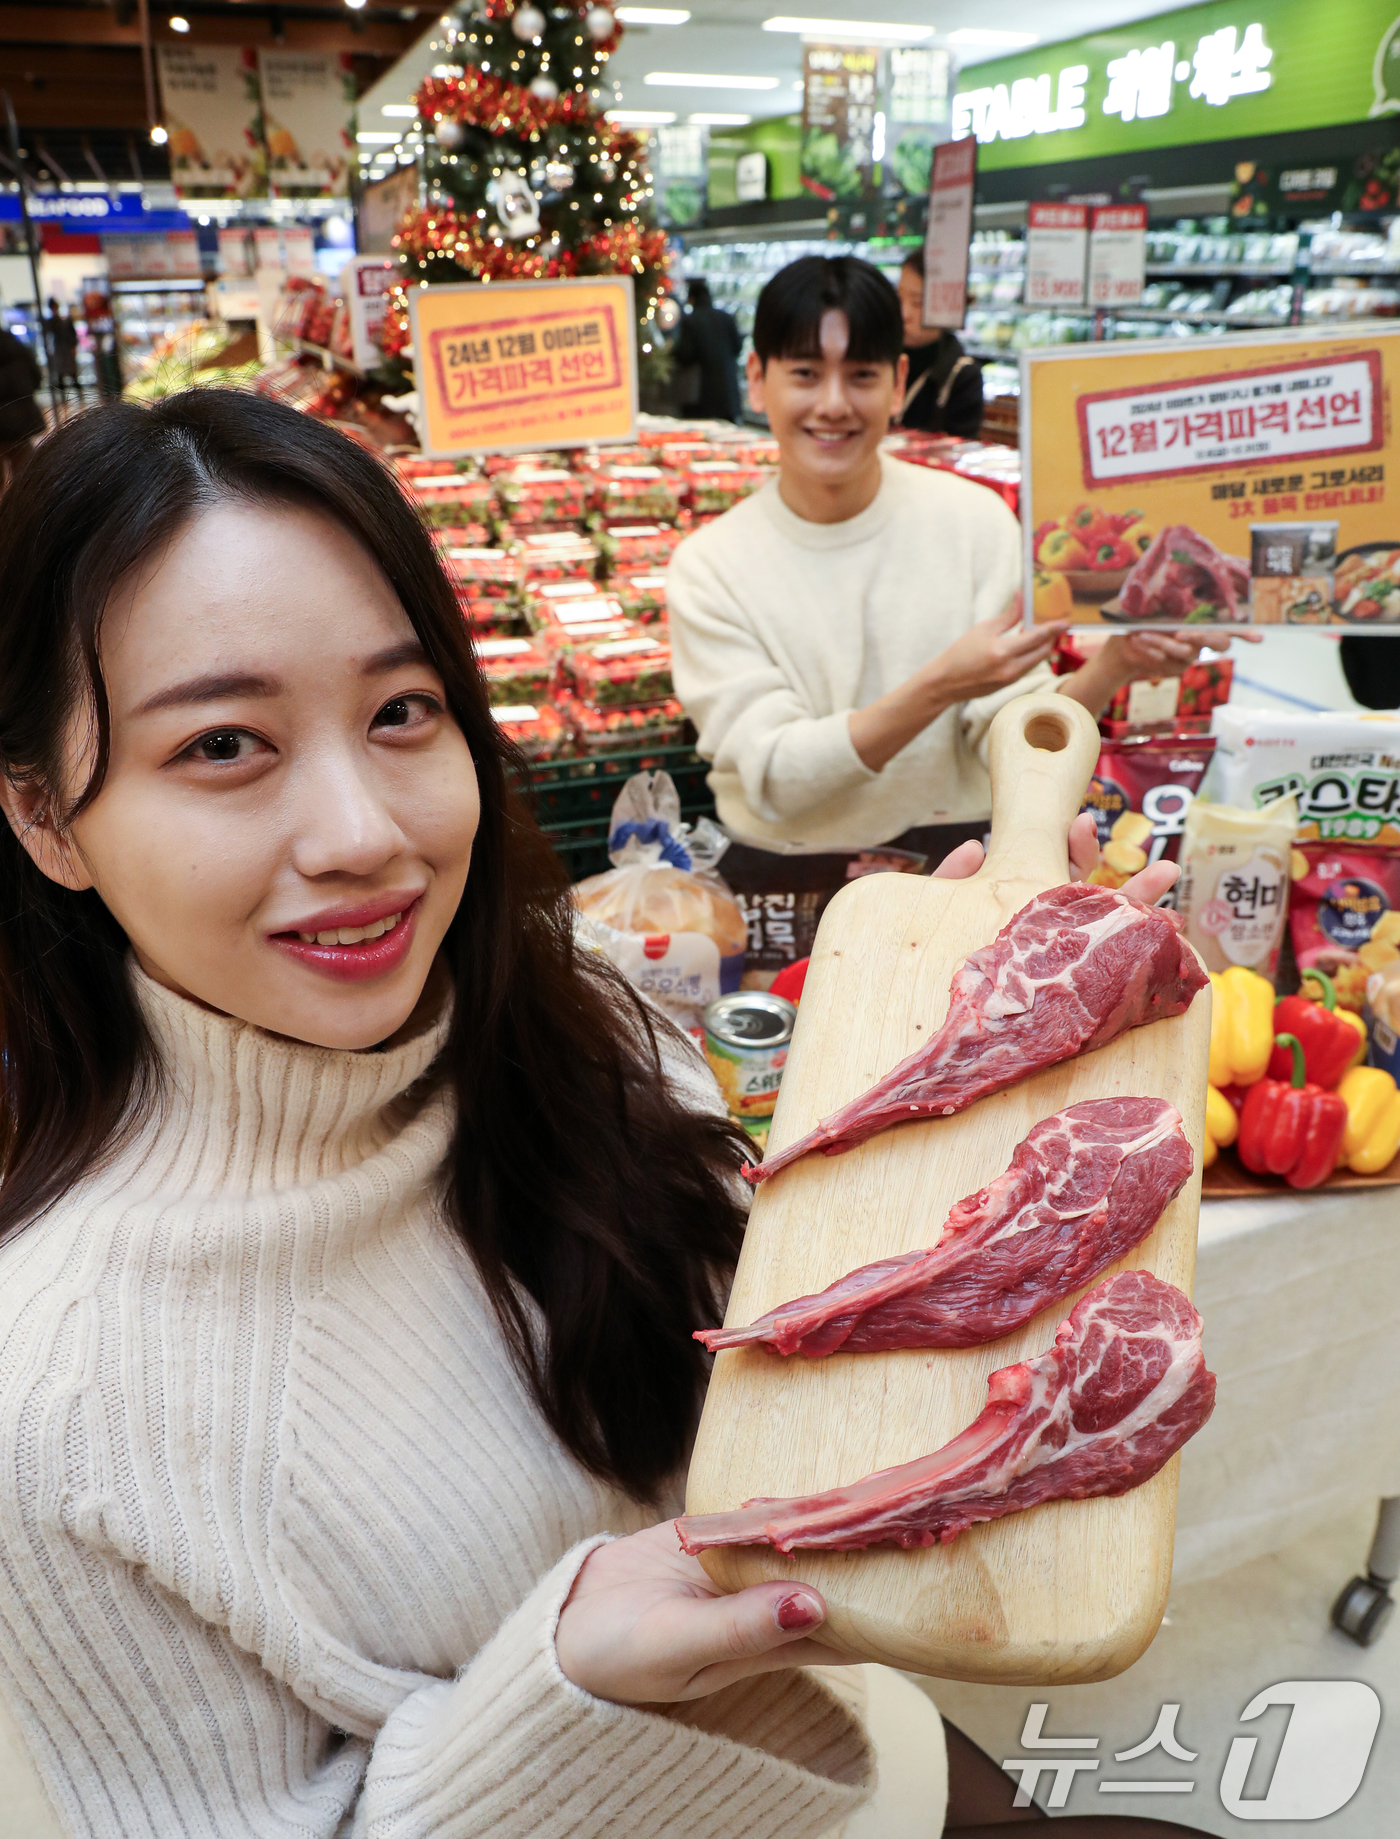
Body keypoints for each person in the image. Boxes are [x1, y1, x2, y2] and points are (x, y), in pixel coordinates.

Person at [0, 392, 1226, 1839]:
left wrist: (936, 1110)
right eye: (223, 746)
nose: (361, 834)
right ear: (46, 818)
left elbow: (780, 1409)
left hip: (860, 1750)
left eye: (402, 711)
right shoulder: (63, 1404)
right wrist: (572, 1679)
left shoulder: (591, 1016)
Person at [667, 255, 1223, 973]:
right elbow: (778, 777)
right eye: (805, 373)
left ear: (898, 383)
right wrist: (941, 682)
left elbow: (1005, 741)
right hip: (784, 890)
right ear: (756, 377)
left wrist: (1117, 661)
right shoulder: (712, 564)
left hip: (956, 872)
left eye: (861, 375)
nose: (833, 403)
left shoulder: (973, 521)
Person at [894, 248, 983, 438]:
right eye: (899, 297)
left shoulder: (962, 375)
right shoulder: (881, 359)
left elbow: (958, 448)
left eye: (917, 303)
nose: (904, 313)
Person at [675, 277, 743, 423]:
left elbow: (686, 355)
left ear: (691, 299)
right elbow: (738, 347)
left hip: (701, 397)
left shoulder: (690, 321)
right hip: (728, 395)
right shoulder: (726, 317)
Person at [0, 319, 43, 489]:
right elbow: (37, 377)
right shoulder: (17, 347)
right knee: (26, 475)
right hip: (21, 421)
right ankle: (26, 511)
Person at [44, 297, 81, 405]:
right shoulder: (52, 321)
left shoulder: (65, 320)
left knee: (73, 375)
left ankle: (79, 397)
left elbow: (72, 335)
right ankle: (64, 399)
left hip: (65, 350)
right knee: (61, 376)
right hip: (59, 351)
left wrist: (73, 348)